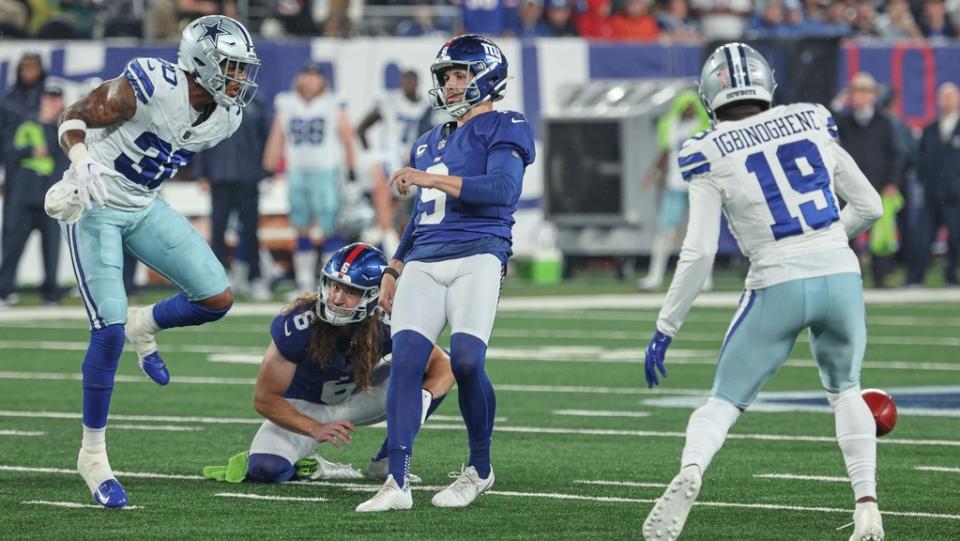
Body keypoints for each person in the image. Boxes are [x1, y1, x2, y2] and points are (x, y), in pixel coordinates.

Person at [640, 43, 885, 541]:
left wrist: (666, 326)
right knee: (846, 391)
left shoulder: (708, 148)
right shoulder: (811, 119)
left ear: (710, 95)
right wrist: (828, 241)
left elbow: (700, 252)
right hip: (840, 274)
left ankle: (692, 469)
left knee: (723, 403)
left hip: (776, 280)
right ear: (765, 83)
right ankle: (867, 508)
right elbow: (871, 205)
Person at [43, 15, 261, 508]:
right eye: (231, 67)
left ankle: (146, 324)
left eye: (243, 69)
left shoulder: (227, 117)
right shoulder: (151, 82)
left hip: (143, 205)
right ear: (201, 63)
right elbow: (73, 117)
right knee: (107, 329)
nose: (240, 79)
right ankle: (93, 456)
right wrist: (80, 161)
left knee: (216, 297)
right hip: (95, 203)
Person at [356, 34, 536, 513]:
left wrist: (430, 178)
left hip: (479, 254)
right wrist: (395, 265)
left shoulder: (506, 124)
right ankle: (396, 481)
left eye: (460, 75)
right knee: (407, 363)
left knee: (467, 362)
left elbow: (501, 188)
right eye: (448, 77)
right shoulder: (427, 140)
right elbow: (421, 217)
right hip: (424, 261)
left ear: (486, 77)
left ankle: (479, 468)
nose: (452, 85)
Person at [201, 243, 454, 483]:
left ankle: (388, 458)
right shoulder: (299, 324)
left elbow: (442, 363)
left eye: (350, 291)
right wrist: (314, 428)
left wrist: (419, 404)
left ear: (374, 295)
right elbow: (264, 398)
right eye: (334, 286)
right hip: (303, 407)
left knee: (426, 367)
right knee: (265, 468)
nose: (337, 298)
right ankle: (312, 465)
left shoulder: (387, 320)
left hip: (359, 398)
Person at [263, 63, 357, 294]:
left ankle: (330, 282)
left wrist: (352, 171)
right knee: (301, 227)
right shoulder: (286, 102)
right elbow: (277, 135)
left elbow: (347, 137)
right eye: (307, 75)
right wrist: (268, 168)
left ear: (322, 80)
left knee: (329, 227)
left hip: (326, 171)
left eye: (316, 76)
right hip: (297, 171)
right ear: (300, 78)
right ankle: (304, 283)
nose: (311, 80)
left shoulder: (333, 102)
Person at [193, 91, 273, 301]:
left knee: (250, 231)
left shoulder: (256, 103)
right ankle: (219, 280)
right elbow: (203, 137)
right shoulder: (212, 100)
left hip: (247, 178)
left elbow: (267, 140)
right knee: (218, 231)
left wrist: (265, 172)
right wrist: (202, 172)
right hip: (220, 177)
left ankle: (255, 278)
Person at [0, 83, 69, 306]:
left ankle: (50, 293)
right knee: (12, 248)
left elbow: (66, 159)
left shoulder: (65, 129)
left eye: (56, 98)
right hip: (22, 199)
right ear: (42, 99)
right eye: (49, 97)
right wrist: (31, 151)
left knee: (51, 251)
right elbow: (9, 152)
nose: (51, 102)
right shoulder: (26, 123)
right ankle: (5, 291)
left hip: (51, 200)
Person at [638, 88, 712, 292]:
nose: (689, 111)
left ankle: (705, 278)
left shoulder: (703, 126)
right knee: (665, 233)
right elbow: (664, 153)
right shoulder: (670, 126)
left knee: (701, 234)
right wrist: (651, 174)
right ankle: (655, 276)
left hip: (699, 185)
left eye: (691, 107)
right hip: (675, 185)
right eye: (685, 108)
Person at [356, 69, 431, 259]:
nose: (409, 86)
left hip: (412, 162)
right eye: (406, 82)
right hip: (387, 160)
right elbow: (361, 128)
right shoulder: (390, 102)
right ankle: (391, 256)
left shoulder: (425, 106)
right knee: (386, 214)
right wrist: (373, 154)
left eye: (412, 82)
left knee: (399, 214)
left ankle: (378, 243)